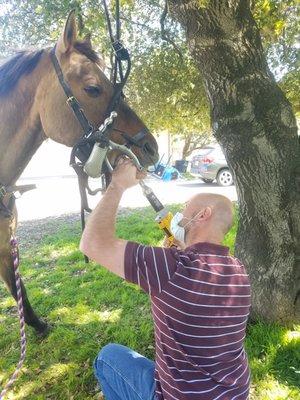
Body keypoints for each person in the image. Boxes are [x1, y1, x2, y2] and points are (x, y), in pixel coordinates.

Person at [80, 158, 251, 400]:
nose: (179, 215)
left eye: (185, 207)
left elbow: (92, 243)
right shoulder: (238, 270)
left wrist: (117, 185)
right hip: (234, 392)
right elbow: (193, 276)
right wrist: (182, 252)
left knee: (108, 358)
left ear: (203, 214)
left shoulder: (170, 268)